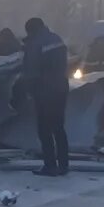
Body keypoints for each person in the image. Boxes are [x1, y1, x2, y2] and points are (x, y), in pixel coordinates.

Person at [21, 16, 72, 176]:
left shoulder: (36, 43)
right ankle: (63, 165)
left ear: (31, 30)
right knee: (58, 128)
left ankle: (50, 165)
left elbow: (32, 69)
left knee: (44, 130)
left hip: (44, 91)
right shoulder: (56, 39)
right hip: (61, 88)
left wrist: (28, 90)